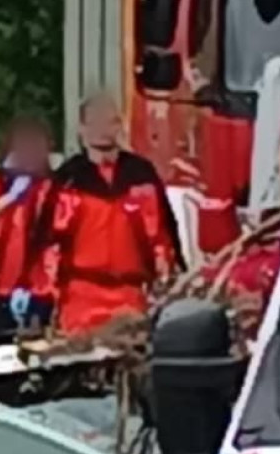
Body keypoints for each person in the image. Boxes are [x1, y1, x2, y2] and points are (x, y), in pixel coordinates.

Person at [26, 94, 184, 336]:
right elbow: (47, 241)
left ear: (119, 126)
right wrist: (40, 299)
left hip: (131, 297)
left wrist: (170, 282)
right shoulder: (67, 179)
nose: (103, 128)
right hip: (80, 297)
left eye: (110, 121)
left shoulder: (141, 174)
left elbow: (164, 235)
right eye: (96, 121)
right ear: (82, 129)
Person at [0, 114, 56, 345]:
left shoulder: (55, 184)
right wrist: (9, 198)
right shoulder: (0, 179)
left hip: (43, 285)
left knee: (39, 346)